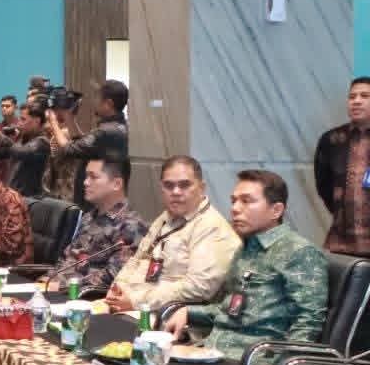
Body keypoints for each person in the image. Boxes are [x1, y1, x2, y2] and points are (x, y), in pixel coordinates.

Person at [164, 170, 328, 365]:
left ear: (276, 210)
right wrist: (188, 312)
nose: (235, 208)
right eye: (234, 201)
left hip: (252, 361)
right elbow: (229, 309)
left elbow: (308, 320)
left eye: (246, 201)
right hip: (213, 351)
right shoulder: (246, 248)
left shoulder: (299, 252)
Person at [106, 155, 239, 313]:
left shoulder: (211, 226)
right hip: (131, 305)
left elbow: (198, 287)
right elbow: (137, 259)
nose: (176, 192)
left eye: (184, 185)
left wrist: (135, 301)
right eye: (169, 185)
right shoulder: (166, 217)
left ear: (202, 187)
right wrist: (117, 289)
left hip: (167, 316)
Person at [43, 156, 148, 295]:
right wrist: (48, 279)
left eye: (93, 177)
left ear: (116, 184)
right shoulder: (89, 217)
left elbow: (112, 277)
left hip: (84, 297)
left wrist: (60, 286)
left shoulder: (131, 226)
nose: (85, 182)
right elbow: (67, 258)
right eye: (86, 176)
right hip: (55, 290)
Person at [48, 79, 129, 204]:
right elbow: (81, 145)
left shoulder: (106, 132)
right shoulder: (117, 126)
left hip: (97, 201)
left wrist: (53, 121)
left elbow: (69, 149)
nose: (94, 102)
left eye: (97, 98)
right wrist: (70, 118)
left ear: (108, 103)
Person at [314, 76, 370, 256]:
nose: (356, 101)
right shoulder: (331, 140)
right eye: (352, 97)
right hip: (342, 243)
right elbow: (323, 186)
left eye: (365, 96)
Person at [0, 102, 52, 199]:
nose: (19, 123)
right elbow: (0, 154)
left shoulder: (42, 143)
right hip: (14, 198)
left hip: (29, 200)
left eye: (23, 119)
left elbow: (20, 152)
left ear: (37, 121)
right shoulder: (23, 140)